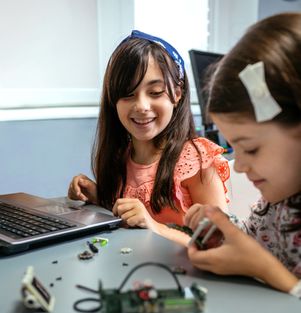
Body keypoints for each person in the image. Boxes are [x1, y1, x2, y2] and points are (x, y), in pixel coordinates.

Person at [184, 13, 301, 297]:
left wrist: (263, 269)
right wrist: (222, 230)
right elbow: (256, 243)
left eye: (250, 148)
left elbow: (262, 264)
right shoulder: (278, 201)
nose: (239, 167)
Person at [68, 30, 229, 236]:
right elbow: (129, 215)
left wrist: (154, 226)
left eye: (155, 93)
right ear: (113, 100)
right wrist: (97, 196)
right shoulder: (120, 157)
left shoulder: (197, 160)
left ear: (177, 94)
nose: (142, 106)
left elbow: (221, 241)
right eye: (128, 94)